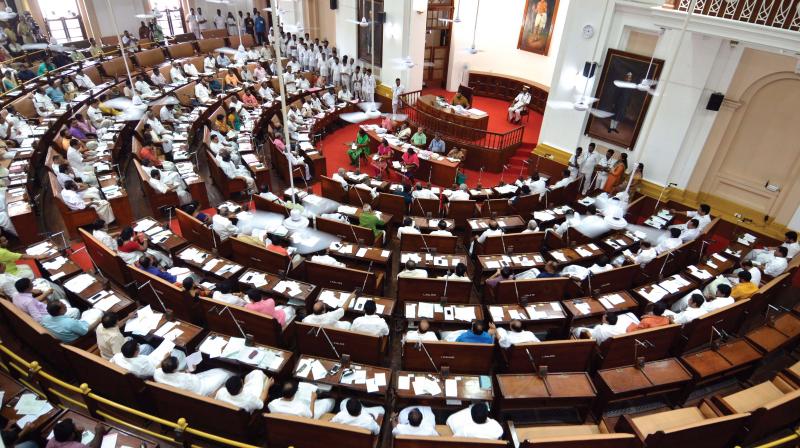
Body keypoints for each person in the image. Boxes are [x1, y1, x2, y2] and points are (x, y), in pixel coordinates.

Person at [154, 355, 233, 397]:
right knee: (226, 373)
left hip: (194, 382)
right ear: (174, 369)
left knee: (218, 370)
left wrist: (187, 371)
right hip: (200, 389)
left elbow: (182, 375)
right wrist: (190, 370)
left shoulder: (157, 373)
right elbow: (194, 381)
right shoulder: (184, 379)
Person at [268, 381, 335, 419]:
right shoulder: (301, 409)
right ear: (294, 393)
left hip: (287, 423)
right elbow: (311, 417)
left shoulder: (272, 404)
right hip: (304, 420)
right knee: (330, 401)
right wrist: (313, 400)